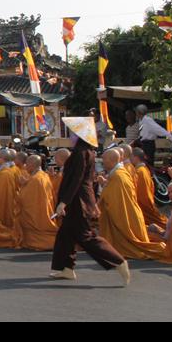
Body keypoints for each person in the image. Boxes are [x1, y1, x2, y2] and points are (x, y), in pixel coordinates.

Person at [50, 117, 129, 284]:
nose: (71, 136)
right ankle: (66, 268)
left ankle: (119, 261)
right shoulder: (87, 151)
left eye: (73, 133)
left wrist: (64, 202)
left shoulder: (80, 153)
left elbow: (77, 179)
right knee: (66, 235)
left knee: (86, 237)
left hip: (77, 201)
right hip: (80, 199)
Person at [97, 148, 167, 261]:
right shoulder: (118, 174)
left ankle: (162, 241)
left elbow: (113, 200)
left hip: (125, 216)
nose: (102, 162)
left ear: (111, 160)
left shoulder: (119, 176)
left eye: (104, 160)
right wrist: (105, 183)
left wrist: (98, 203)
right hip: (129, 213)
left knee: (136, 245)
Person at [13, 154, 59, 251]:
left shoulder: (35, 180)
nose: (25, 166)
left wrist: (22, 186)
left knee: (39, 237)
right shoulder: (44, 175)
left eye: (27, 164)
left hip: (36, 218)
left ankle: (50, 243)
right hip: (44, 212)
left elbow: (24, 199)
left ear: (32, 165)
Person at [130, 147, 168, 227]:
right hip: (148, 201)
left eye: (131, 157)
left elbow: (143, 193)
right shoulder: (143, 169)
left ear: (136, 158)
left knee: (159, 223)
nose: (130, 159)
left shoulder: (140, 171)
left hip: (145, 203)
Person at [135, 104, 172, 168]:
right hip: (144, 144)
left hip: (149, 145)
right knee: (146, 162)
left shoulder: (148, 120)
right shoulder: (141, 121)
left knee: (149, 163)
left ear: (139, 112)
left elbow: (159, 130)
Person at [147, 181, 172, 263]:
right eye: (169, 192)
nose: (170, 195)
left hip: (170, 241)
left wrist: (163, 237)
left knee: (146, 237)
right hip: (166, 236)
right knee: (151, 227)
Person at [0, 148, 19, 228]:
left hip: (5, 201)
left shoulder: (5, 174)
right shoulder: (7, 170)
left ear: (3, 159)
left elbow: (2, 194)